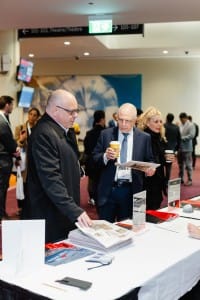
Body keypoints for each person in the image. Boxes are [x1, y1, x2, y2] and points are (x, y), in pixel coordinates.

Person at [22, 89, 92, 243]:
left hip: (61, 209)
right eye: (71, 112)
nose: (75, 115)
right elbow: (51, 178)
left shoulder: (61, 129)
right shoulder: (44, 133)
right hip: (49, 213)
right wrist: (74, 210)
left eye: (76, 111)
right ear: (55, 110)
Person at [93, 103, 155, 222]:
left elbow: (150, 160)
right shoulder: (106, 134)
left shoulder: (144, 138)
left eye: (127, 121)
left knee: (128, 230)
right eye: (120, 120)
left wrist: (150, 170)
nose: (123, 124)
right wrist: (105, 156)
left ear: (135, 120)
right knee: (106, 231)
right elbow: (94, 159)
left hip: (131, 191)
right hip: (109, 190)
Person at [137, 106, 175, 210]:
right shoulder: (141, 138)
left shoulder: (161, 138)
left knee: (154, 211)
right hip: (144, 184)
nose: (159, 124)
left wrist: (169, 159)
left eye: (160, 121)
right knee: (141, 215)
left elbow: (163, 161)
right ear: (147, 122)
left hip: (157, 182)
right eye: (156, 121)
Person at [14, 107, 41, 213]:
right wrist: (21, 140)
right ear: (28, 115)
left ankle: (32, 206)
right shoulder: (20, 128)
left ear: (37, 117)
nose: (32, 117)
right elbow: (15, 143)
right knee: (22, 183)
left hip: (35, 161)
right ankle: (21, 207)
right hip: (23, 160)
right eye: (30, 114)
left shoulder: (39, 129)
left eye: (35, 115)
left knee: (34, 184)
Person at [0, 95, 21, 221]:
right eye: (12, 104)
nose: (13, 107)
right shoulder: (1, 120)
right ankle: (1, 215)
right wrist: (15, 150)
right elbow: (6, 137)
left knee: (2, 188)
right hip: (2, 160)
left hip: (4, 159)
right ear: (7, 105)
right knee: (2, 188)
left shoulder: (4, 118)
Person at [83, 110, 106, 206]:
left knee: (92, 182)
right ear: (102, 119)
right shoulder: (105, 133)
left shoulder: (89, 133)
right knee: (102, 181)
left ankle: (93, 198)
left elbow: (87, 149)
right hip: (102, 161)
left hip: (91, 162)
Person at [177, 112, 195, 186]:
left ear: (185, 118)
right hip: (180, 148)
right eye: (180, 119)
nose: (181, 121)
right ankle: (181, 179)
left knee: (188, 165)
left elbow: (191, 135)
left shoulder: (191, 125)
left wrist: (181, 138)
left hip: (187, 148)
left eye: (182, 119)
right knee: (180, 164)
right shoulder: (180, 125)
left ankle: (190, 179)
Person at [164, 113, 181, 180]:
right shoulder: (176, 127)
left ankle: (161, 182)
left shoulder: (163, 126)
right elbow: (179, 139)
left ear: (166, 118)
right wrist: (176, 149)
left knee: (161, 167)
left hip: (163, 149)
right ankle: (167, 181)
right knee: (168, 167)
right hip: (171, 150)